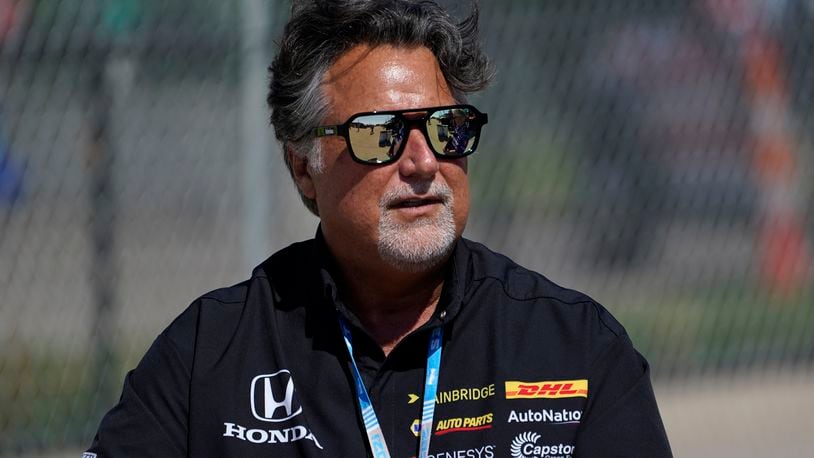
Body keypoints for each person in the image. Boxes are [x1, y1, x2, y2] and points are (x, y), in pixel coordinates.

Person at [85, 1, 672, 457]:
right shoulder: (207, 361)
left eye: (447, 128)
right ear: (303, 167)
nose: (422, 161)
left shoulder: (576, 350)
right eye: (380, 135)